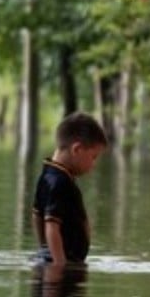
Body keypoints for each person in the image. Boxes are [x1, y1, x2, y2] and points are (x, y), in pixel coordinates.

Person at [32, 112, 108, 266]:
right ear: (77, 149)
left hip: (61, 260)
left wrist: (44, 248)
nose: (93, 165)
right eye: (93, 157)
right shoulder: (60, 182)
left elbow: (37, 216)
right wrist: (59, 265)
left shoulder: (48, 175)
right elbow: (51, 225)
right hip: (64, 265)